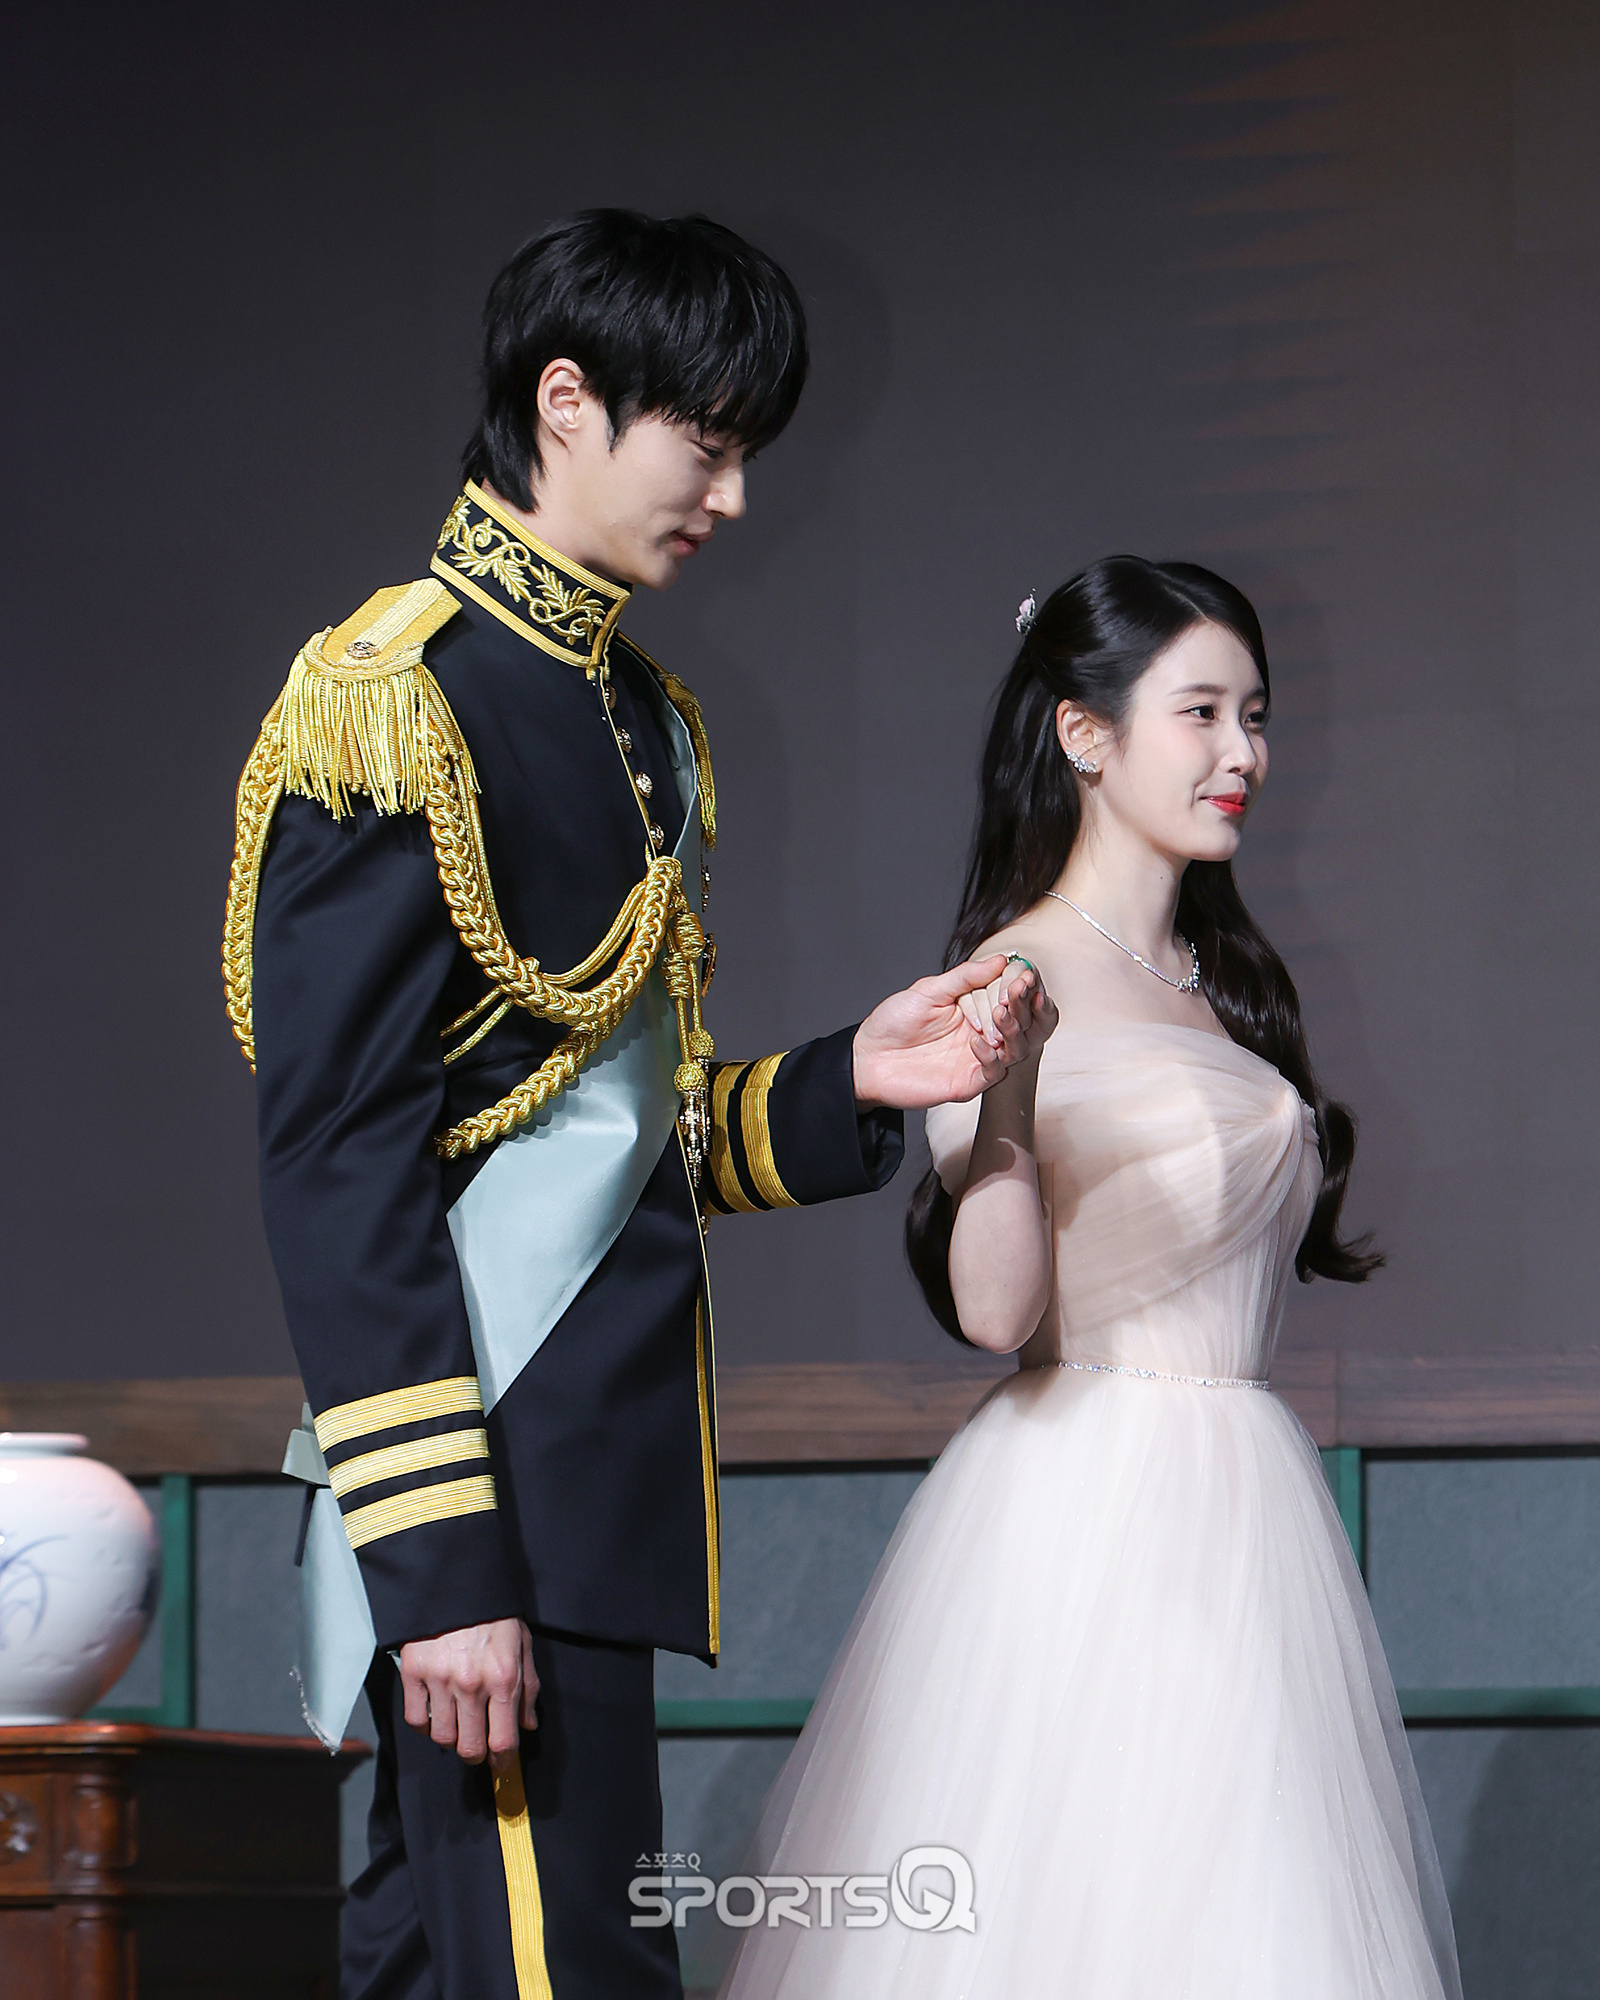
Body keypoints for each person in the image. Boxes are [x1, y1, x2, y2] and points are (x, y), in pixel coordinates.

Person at [219, 210, 1052, 2000]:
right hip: (490, 1503)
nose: (734, 498)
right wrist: (442, 1566)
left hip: (588, 1498)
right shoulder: (394, 702)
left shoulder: (638, 717)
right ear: (567, 402)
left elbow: (599, 1139)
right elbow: (341, 1166)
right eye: (709, 442)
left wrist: (849, 1081)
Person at [719, 558, 1463, 1999]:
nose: (1242, 754)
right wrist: (1006, 1086)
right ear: (1085, 734)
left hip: (1246, 1503)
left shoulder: (1221, 981)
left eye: (1256, 716)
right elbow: (998, 1313)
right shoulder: (1011, 977)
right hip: (1093, 1504)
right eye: (1202, 712)